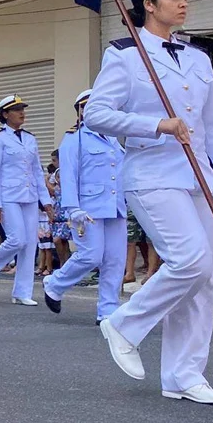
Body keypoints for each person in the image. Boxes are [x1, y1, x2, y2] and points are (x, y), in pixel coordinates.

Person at [84, 0, 213, 404]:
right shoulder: (125, 54)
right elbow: (97, 115)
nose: (184, 2)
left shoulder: (198, 58)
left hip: (197, 177)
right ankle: (124, 323)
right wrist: (156, 124)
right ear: (148, 4)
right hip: (151, 175)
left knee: (201, 281)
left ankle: (184, 376)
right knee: (191, 261)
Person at [42, 90, 127, 322]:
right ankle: (55, 283)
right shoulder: (74, 139)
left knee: (115, 259)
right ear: (81, 111)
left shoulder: (113, 138)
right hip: (87, 208)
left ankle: (107, 311)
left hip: (115, 207)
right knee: (91, 255)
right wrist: (72, 209)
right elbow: (68, 176)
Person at [0, 95, 53, 305]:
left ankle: (22, 292)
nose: (22, 112)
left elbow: (37, 171)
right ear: (5, 114)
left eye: (22, 108)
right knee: (17, 239)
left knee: (29, 244)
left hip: (29, 196)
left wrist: (45, 201)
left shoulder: (30, 138)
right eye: (16, 109)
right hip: (8, 196)